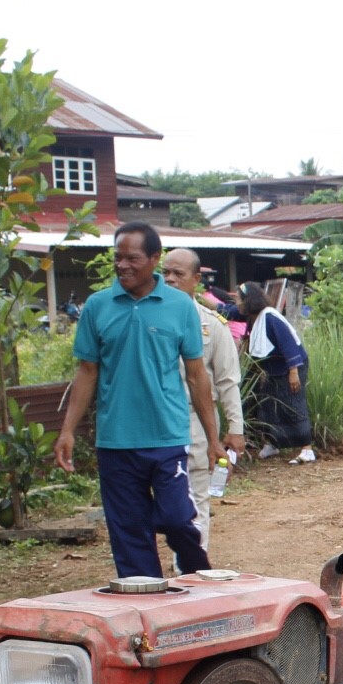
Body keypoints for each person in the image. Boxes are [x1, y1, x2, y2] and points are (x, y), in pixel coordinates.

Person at [54, 221, 217, 580]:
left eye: (133, 258)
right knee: (128, 534)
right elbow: (86, 372)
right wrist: (67, 431)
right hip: (115, 441)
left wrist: (213, 438)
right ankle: (147, 605)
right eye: (118, 258)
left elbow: (196, 375)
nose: (123, 265)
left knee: (176, 517)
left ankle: (198, 574)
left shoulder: (179, 306)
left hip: (167, 437)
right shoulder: (97, 307)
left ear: (155, 259)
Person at [161, 248, 246, 550]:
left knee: (196, 499)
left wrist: (235, 429)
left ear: (196, 280)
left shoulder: (211, 326)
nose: (169, 279)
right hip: (153, 425)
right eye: (165, 273)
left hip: (195, 422)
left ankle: (192, 576)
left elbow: (227, 382)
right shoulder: (147, 319)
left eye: (178, 274)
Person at [238, 281, 316, 464]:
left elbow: (288, 345)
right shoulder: (252, 316)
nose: (237, 304)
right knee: (269, 406)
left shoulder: (271, 318)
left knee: (293, 404)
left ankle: (307, 449)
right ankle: (273, 443)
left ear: (248, 301)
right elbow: (224, 309)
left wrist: (294, 372)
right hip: (273, 369)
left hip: (291, 367)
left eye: (239, 300)